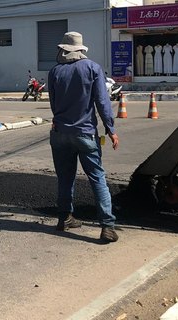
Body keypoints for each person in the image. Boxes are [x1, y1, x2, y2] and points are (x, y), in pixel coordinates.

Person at [47, 31, 120, 243]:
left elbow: (53, 103)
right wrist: (111, 129)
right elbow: (102, 102)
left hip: (60, 133)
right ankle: (107, 226)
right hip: (85, 133)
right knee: (97, 177)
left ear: (63, 50)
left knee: (65, 178)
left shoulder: (55, 71)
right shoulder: (92, 68)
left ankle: (65, 217)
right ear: (80, 49)